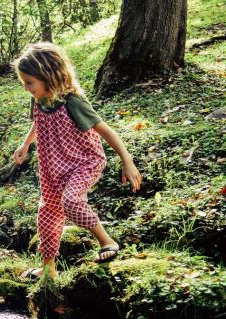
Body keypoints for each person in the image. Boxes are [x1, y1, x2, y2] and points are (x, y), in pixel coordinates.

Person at [12, 42, 142, 280]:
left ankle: (107, 241)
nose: (26, 87)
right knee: (48, 214)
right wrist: (26, 144)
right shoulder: (40, 99)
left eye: (29, 82)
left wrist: (127, 160)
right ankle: (48, 269)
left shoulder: (73, 102)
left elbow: (106, 131)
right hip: (53, 168)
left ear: (48, 76)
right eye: (24, 82)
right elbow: (37, 123)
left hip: (84, 162)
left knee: (71, 201)